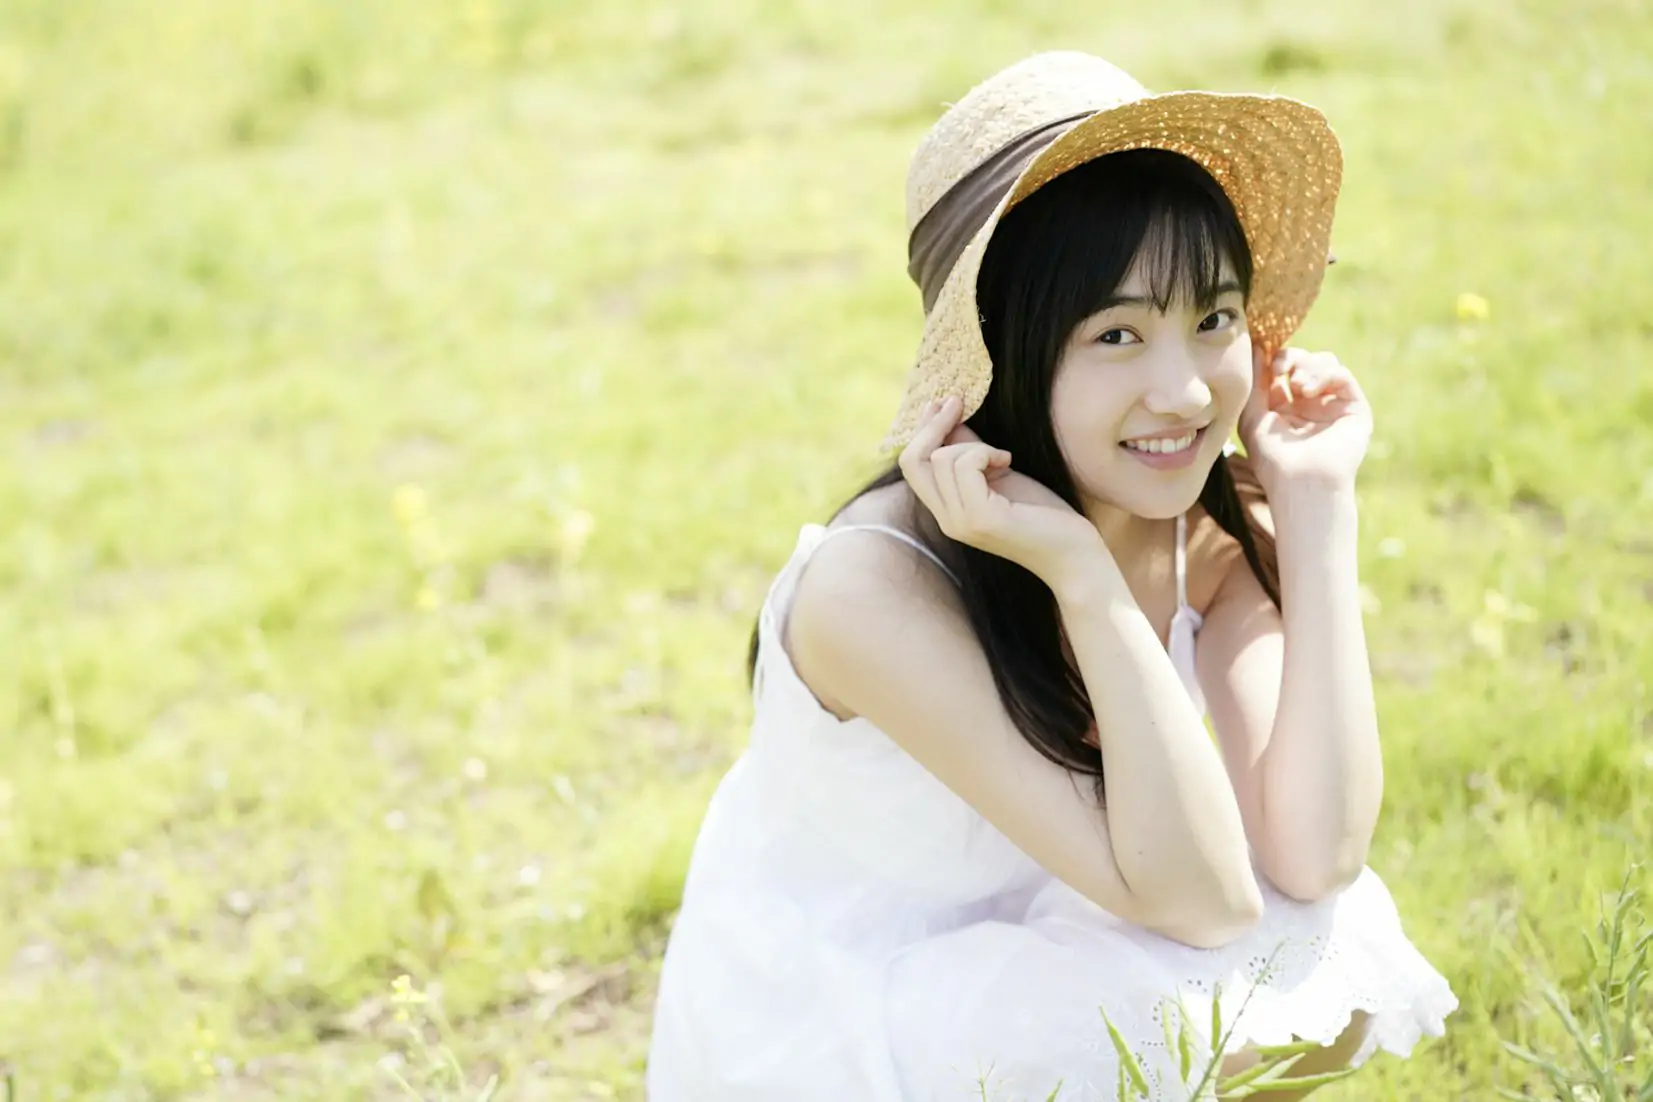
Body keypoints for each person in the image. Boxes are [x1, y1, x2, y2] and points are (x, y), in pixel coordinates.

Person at [646, 51, 1457, 1101]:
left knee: (1326, 959)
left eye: (1213, 319)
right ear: (1000, 353)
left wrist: (1315, 504)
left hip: (1058, 935)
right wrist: (1082, 574)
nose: (1183, 391)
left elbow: (1317, 853)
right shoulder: (871, 591)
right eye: (1117, 333)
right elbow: (1203, 903)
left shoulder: (1207, 527)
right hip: (842, 1014)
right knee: (1203, 1010)